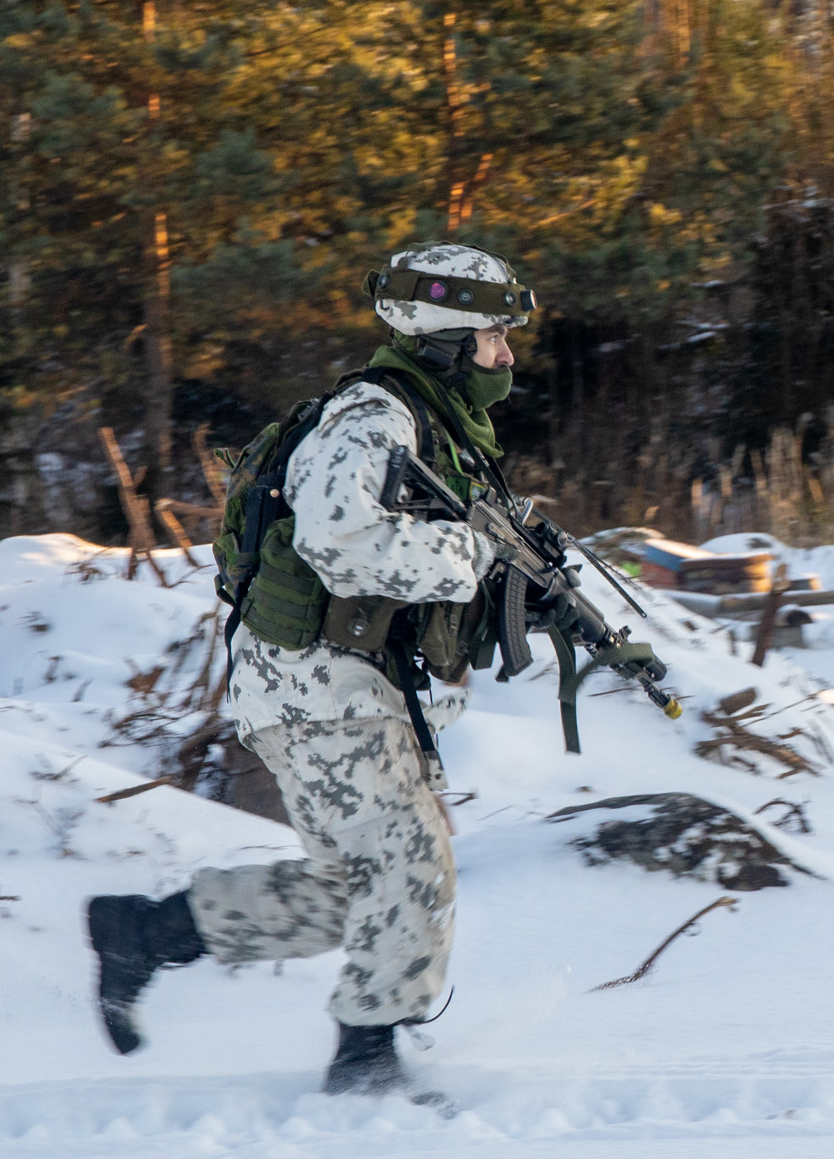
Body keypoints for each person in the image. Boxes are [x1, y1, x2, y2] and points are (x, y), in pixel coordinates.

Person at [84, 243, 535, 1096]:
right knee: (409, 867)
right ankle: (366, 1067)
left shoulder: (430, 421)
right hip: (317, 681)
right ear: (445, 341)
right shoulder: (375, 416)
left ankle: (145, 934)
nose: (507, 356)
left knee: (353, 887)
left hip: (332, 682)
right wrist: (471, 556)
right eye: (493, 338)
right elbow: (340, 538)